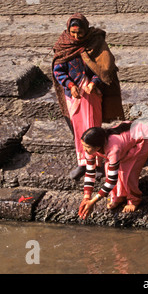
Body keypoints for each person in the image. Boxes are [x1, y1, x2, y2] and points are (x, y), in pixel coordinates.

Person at [52, 13, 124, 180]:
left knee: (93, 125)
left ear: (86, 30)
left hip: (92, 93)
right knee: (78, 129)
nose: (76, 36)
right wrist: (70, 85)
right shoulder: (64, 45)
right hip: (74, 95)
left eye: (80, 33)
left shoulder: (96, 42)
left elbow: (105, 67)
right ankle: (83, 163)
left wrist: (94, 82)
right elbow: (58, 71)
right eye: (73, 33)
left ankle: (98, 163)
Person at [78, 121, 148, 217]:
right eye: (83, 145)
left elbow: (112, 180)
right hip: (127, 141)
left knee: (128, 172)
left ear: (97, 147)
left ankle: (134, 199)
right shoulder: (90, 148)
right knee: (108, 169)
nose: (84, 149)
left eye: (86, 147)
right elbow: (90, 172)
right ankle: (119, 197)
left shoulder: (113, 148)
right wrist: (87, 197)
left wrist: (93, 201)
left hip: (142, 137)